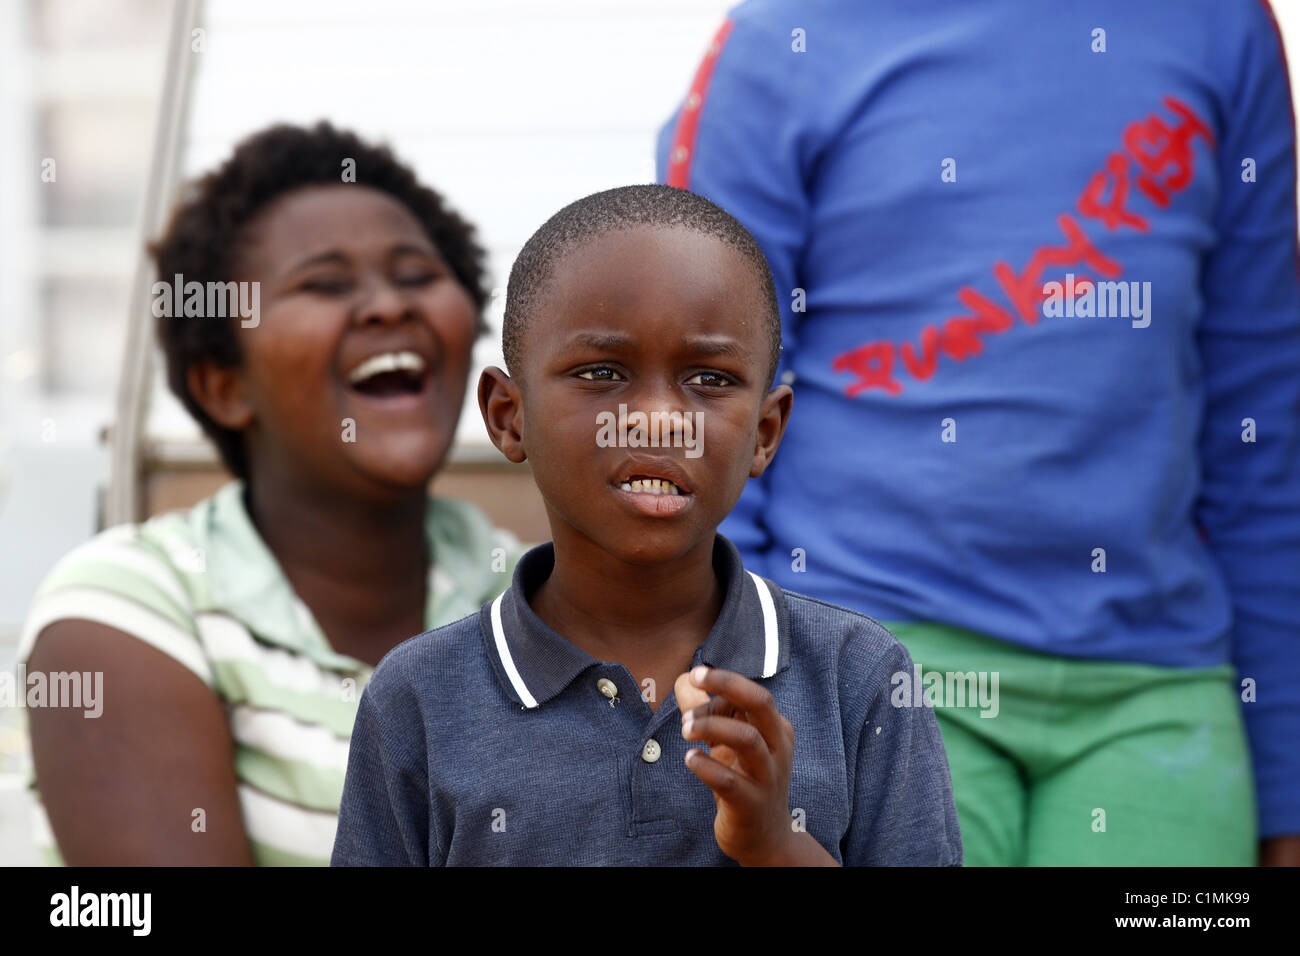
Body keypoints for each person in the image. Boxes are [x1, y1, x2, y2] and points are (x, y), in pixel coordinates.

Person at [655, 0, 1300, 865]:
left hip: (1159, 685)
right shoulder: (784, 40)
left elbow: (1259, 421)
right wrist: (755, 684)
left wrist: (1286, 778)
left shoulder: (1218, 26)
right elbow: (703, 403)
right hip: (875, 659)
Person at [330, 184, 963, 866]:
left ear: (765, 431)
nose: (659, 417)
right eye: (603, 372)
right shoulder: (421, 698)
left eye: (710, 379)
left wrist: (776, 845)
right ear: (509, 415)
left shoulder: (855, 678)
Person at [17, 122, 524, 865]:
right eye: (324, 284)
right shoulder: (128, 605)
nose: (389, 307)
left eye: (417, 275)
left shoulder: (534, 599)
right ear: (224, 387)